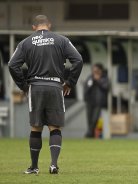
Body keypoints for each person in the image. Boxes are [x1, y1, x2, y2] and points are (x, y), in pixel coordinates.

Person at [8, 15, 83, 174]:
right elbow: (78, 60)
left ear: (33, 27)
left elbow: (12, 65)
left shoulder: (25, 43)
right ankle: (54, 164)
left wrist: (23, 86)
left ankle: (34, 167)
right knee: (54, 127)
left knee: (36, 128)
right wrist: (70, 82)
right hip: (55, 85)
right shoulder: (61, 40)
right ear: (49, 25)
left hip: (35, 87)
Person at [84, 63, 109, 138]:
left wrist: (98, 81)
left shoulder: (104, 78)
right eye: (94, 70)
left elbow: (106, 88)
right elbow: (86, 88)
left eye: (97, 70)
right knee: (89, 120)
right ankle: (90, 135)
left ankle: (88, 134)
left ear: (100, 70)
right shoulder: (90, 78)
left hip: (99, 102)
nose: (95, 71)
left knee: (95, 119)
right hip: (89, 102)